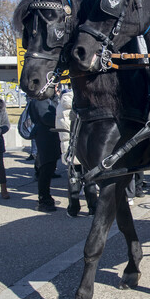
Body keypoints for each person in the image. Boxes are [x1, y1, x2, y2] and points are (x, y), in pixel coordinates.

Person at [55, 86, 98, 217]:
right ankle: (93, 208)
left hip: (69, 147)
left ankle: (73, 208)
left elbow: (59, 126)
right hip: (85, 146)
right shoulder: (84, 103)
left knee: (73, 179)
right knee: (90, 179)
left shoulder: (60, 106)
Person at [30, 89, 61, 212]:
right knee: (46, 169)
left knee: (49, 167)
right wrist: (62, 120)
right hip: (46, 137)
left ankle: (45, 197)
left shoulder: (48, 100)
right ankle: (44, 199)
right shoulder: (40, 100)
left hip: (50, 137)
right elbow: (46, 117)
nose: (56, 88)